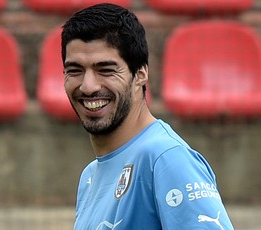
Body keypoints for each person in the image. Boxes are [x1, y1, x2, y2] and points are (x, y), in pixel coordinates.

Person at [61, 3, 234, 229]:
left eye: (106, 70)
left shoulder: (166, 159)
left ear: (140, 74)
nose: (88, 86)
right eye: (74, 70)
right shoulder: (89, 177)